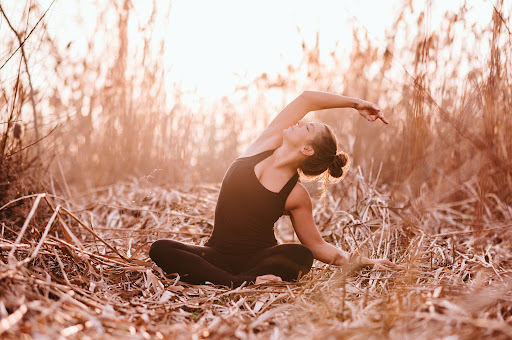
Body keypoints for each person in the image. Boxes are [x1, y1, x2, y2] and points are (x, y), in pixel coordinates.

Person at [149, 90, 398, 287]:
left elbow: (318, 246)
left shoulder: (296, 195)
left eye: (308, 127)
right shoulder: (264, 144)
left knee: (301, 255)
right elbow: (307, 98)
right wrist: (356, 104)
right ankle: (238, 282)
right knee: (160, 249)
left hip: (258, 259)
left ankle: (235, 279)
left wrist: (365, 262)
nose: (300, 122)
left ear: (307, 150)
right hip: (215, 254)